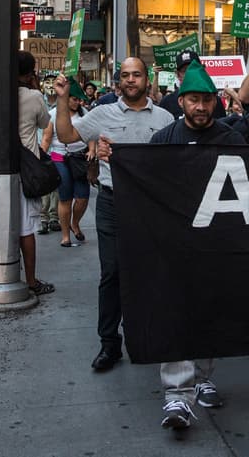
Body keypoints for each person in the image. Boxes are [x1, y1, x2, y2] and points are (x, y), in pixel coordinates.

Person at [54, 57, 175, 372]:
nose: (131, 80)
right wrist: (62, 98)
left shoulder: (165, 118)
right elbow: (66, 136)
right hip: (112, 203)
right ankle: (110, 344)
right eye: (125, 75)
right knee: (112, 273)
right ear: (118, 82)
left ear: (147, 79)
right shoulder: (102, 114)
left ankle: (149, 336)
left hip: (150, 205)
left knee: (151, 272)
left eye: (137, 74)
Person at [146, 63, 244, 430]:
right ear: (181, 101)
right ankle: (176, 396)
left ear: (216, 103)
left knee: (208, 313)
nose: (200, 107)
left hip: (217, 243)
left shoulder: (232, 139)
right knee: (176, 313)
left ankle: (203, 378)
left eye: (206, 100)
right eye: (193, 100)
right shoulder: (163, 140)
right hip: (175, 243)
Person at [16, 51, 55, 298]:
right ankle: (31, 280)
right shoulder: (34, 96)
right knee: (26, 227)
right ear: (31, 73)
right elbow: (44, 123)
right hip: (26, 169)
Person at [42, 79, 92, 248]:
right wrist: (40, 159)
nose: (78, 103)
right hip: (59, 157)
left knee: (82, 197)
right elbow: (47, 138)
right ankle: (65, 235)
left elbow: (92, 134)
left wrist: (92, 149)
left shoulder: (85, 113)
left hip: (80, 158)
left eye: (80, 100)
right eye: (75, 99)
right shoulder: (54, 114)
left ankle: (75, 223)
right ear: (67, 98)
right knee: (65, 198)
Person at [159, 50, 227, 119]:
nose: (190, 74)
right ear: (178, 75)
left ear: (202, 71)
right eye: (185, 71)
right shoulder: (166, 102)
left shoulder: (213, 100)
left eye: (194, 69)